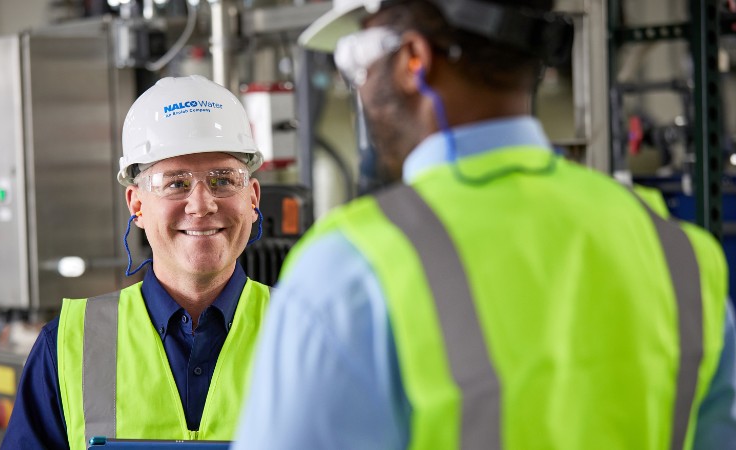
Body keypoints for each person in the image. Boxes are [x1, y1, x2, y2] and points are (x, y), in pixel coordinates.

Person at [234, 1, 736, 449]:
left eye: (357, 60)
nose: (359, 86)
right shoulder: (680, 254)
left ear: (414, 60)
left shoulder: (351, 268)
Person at [3, 75, 270, 450]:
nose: (202, 204)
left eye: (223, 180)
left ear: (252, 199)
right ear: (137, 205)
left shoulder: (311, 334)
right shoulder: (67, 346)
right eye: (175, 183)